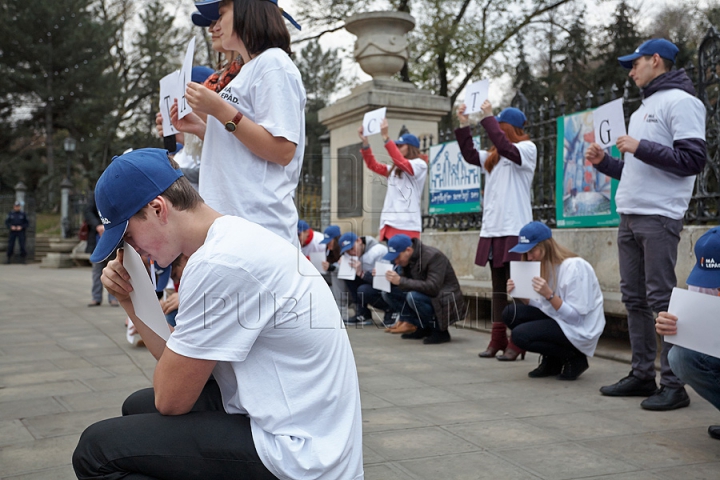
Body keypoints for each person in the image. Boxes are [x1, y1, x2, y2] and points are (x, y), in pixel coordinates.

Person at [72, 148, 363, 479]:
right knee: (138, 406)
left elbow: (171, 398)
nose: (131, 251)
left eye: (127, 236)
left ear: (157, 209)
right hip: (307, 425)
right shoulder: (230, 238)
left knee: (95, 451)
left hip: (300, 454)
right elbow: (180, 369)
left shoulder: (218, 263)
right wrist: (130, 298)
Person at [585, 38, 707, 410]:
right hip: (631, 213)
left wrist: (640, 147)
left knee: (661, 300)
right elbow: (638, 168)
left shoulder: (683, 102)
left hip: (659, 215)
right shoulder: (642, 109)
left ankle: (673, 385)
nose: (631, 70)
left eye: (634, 63)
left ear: (657, 60)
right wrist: (605, 162)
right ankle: (641, 375)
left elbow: (693, 160)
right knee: (635, 298)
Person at [173, 0, 306, 245]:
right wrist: (201, 128)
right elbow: (243, 148)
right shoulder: (251, 69)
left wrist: (219, 109)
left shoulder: (273, 63)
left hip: (259, 224)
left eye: (222, 14)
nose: (216, 24)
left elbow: (283, 150)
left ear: (249, 12)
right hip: (233, 221)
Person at [455, 100, 537, 361]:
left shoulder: (526, 149)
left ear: (507, 128)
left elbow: (504, 145)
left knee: (521, 288)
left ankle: (520, 339)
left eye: (499, 127)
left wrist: (488, 117)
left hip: (516, 228)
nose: (495, 133)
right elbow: (469, 154)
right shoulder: (494, 157)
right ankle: (498, 338)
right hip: (493, 229)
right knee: (499, 288)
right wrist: (463, 124)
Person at [503, 222, 606, 380]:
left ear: (546, 246)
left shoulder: (574, 267)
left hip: (579, 329)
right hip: (559, 319)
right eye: (526, 253)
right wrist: (524, 297)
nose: (529, 258)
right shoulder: (545, 266)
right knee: (510, 313)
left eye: (532, 251)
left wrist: (549, 295)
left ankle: (574, 357)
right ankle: (552, 360)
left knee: (520, 336)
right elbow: (545, 308)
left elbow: (576, 318)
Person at [656, 226, 720, 438]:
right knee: (680, 357)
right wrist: (673, 326)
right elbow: (701, 336)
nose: (715, 287)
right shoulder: (705, 284)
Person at [380, 235, 466, 344]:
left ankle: (440, 331)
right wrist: (385, 278)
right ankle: (421, 326)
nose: (396, 261)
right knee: (388, 293)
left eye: (397, 257)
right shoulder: (406, 260)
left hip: (445, 298)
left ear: (408, 250)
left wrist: (400, 281)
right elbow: (405, 283)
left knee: (413, 297)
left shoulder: (433, 256)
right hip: (426, 294)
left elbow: (433, 287)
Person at [358, 118, 428, 241]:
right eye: (396, 145)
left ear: (411, 148)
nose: (397, 148)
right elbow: (372, 165)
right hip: (389, 223)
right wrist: (365, 143)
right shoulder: (393, 169)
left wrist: (386, 137)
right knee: (393, 260)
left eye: (400, 145)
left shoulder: (420, 165)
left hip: (406, 225)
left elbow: (403, 163)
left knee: (405, 259)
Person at [338, 231, 390, 326]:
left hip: (385, 287)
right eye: (347, 251)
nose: (351, 253)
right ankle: (362, 312)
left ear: (359, 241)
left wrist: (361, 273)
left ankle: (390, 310)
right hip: (370, 282)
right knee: (347, 275)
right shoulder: (351, 254)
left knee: (364, 290)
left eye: (352, 248)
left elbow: (384, 282)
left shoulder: (378, 251)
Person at [84, 193, 118, 307]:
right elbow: (88, 212)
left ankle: (113, 297)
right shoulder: (95, 196)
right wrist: (97, 225)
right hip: (97, 239)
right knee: (97, 271)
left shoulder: (116, 195)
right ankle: (96, 297)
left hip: (114, 238)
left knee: (114, 270)